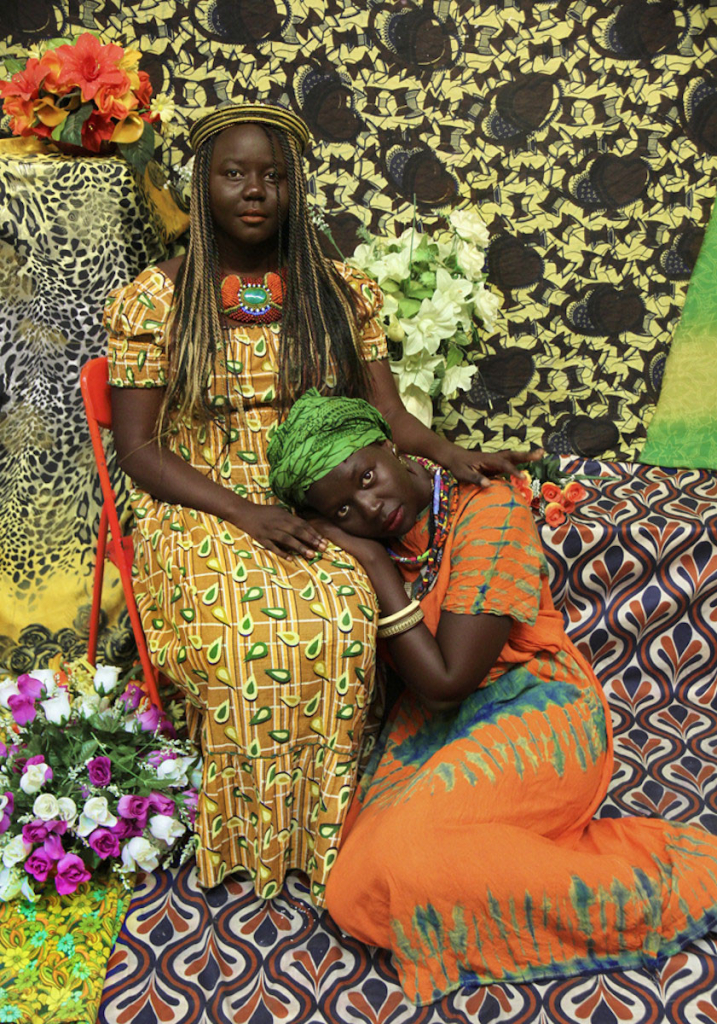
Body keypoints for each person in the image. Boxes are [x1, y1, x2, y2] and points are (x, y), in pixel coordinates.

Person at [103, 102, 535, 905]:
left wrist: (449, 454)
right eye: (234, 174)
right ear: (203, 184)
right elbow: (139, 451)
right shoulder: (153, 301)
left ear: (295, 188)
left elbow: (393, 415)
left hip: (311, 502)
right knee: (246, 624)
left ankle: (320, 836)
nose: (254, 191)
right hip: (199, 503)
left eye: (272, 175)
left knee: (337, 611)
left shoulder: (340, 291)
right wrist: (242, 513)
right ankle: (244, 839)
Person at [267, 388, 717, 1004]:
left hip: (536, 708)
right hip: (434, 727)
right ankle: (524, 845)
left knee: (409, 860)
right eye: (343, 513)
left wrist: (374, 566)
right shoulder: (380, 528)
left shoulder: (488, 505)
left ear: (390, 444)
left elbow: (448, 679)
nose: (370, 508)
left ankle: (673, 879)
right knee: (352, 888)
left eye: (367, 476)